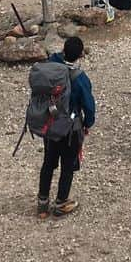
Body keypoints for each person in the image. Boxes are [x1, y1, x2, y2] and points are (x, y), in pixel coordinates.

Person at [37, 36, 96, 219]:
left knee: (48, 163)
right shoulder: (80, 79)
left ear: (63, 50)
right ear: (80, 55)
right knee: (67, 166)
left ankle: (42, 203)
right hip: (70, 130)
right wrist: (87, 124)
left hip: (50, 125)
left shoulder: (52, 65)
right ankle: (61, 202)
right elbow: (89, 106)